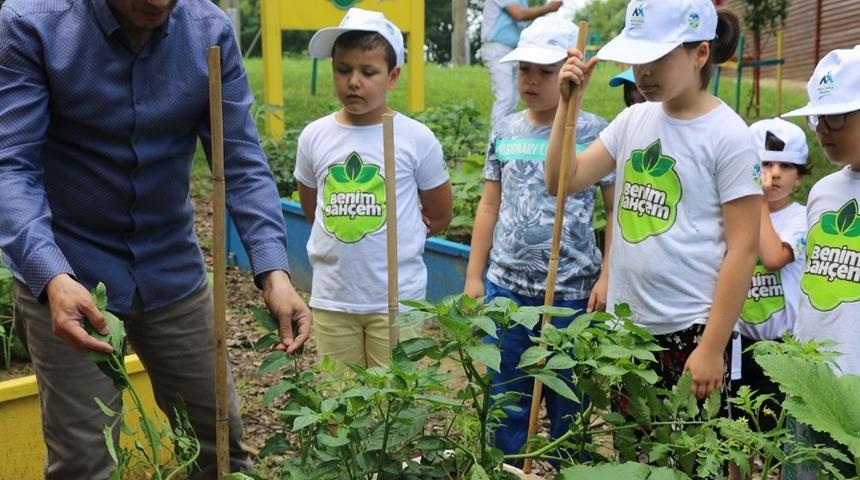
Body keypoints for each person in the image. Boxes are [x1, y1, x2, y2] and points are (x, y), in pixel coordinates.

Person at [0, 0, 312, 478]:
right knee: (84, 461)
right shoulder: (32, 24)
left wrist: (274, 272)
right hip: (69, 274)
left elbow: (242, 163)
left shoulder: (209, 31)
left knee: (221, 447)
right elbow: (11, 166)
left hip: (171, 272)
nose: (157, 2)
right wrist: (51, 275)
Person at [546, 0, 761, 410]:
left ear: (700, 54)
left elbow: (744, 248)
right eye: (636, 58)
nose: (642, 72)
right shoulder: (634, 120)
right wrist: (567, 105)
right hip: (628, 330)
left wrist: (712, 347)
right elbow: (562, 179)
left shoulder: (728, 136)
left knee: (689, 462)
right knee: (635, 453)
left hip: (691, 330)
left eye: (656, 57)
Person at [465, 16, 614, 459]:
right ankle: (507, 464)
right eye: (523, 69)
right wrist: (476, 275)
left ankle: (574, 467)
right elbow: (489, 205)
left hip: (569, 294)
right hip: (506, 291)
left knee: (570, 402)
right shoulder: (505, 130)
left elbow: (614, 213)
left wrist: (607, 276)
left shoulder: (594, 131)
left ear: (572, 72)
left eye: (545, 71)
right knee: (507, 395)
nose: (531, 80)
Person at [296, 8, 453, 369]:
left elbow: (441, 212)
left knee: (394, 406)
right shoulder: (314, 136)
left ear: (392, 75)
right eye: (343, 70)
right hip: (333, 298)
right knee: (339, 401)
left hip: (396, 301)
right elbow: (312, 206)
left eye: (368, 72)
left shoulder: (416, 139)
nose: (354, 81)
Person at [779, 45, 860, 480]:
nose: (822, 130)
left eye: (836, 117)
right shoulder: (824, 192)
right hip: (811, 378)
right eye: (817, 118)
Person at [729, 118, 809, 480]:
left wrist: (757, 203)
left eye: (785, 166)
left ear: (799, 176)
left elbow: (775, 257)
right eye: (764, 164)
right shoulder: (732, 213)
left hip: (782, 345)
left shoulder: (802, 218)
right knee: (734, 429)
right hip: (739, 342)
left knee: (777, 432)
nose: (774, 174)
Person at [481, 0, 563, 124]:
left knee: (513, 98)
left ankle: (507, 135)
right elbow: (519, 14)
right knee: (506, 96)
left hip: (514, 50)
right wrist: (548, 8)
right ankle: (496, 139)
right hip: (498, 48)